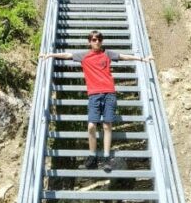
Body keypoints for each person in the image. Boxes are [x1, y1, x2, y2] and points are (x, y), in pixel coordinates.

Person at [41, 31, 153, 172]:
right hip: (94, 95)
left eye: (99, 39)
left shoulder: (107, 54)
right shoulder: (84, 55)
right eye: (94, 39)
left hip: (109, 94)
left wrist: (142, 59)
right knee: (91, 126)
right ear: (89, 42)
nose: (97, 42)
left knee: (107, 126)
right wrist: (50, 55)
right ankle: (92, 157)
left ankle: (106, 158)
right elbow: (67, 55)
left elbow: (123, 56)